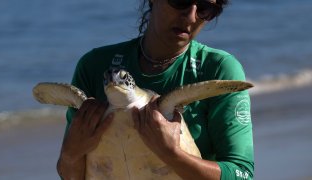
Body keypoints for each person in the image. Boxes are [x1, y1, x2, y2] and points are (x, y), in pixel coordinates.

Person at [57, 0, 254, 179]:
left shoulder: (218, 69)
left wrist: (171, 154)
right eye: (182, 1)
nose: (191, 16)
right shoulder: (94, 66)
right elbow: (71, 175)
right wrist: (70, 154)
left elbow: (242, 174)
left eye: (205, 8)